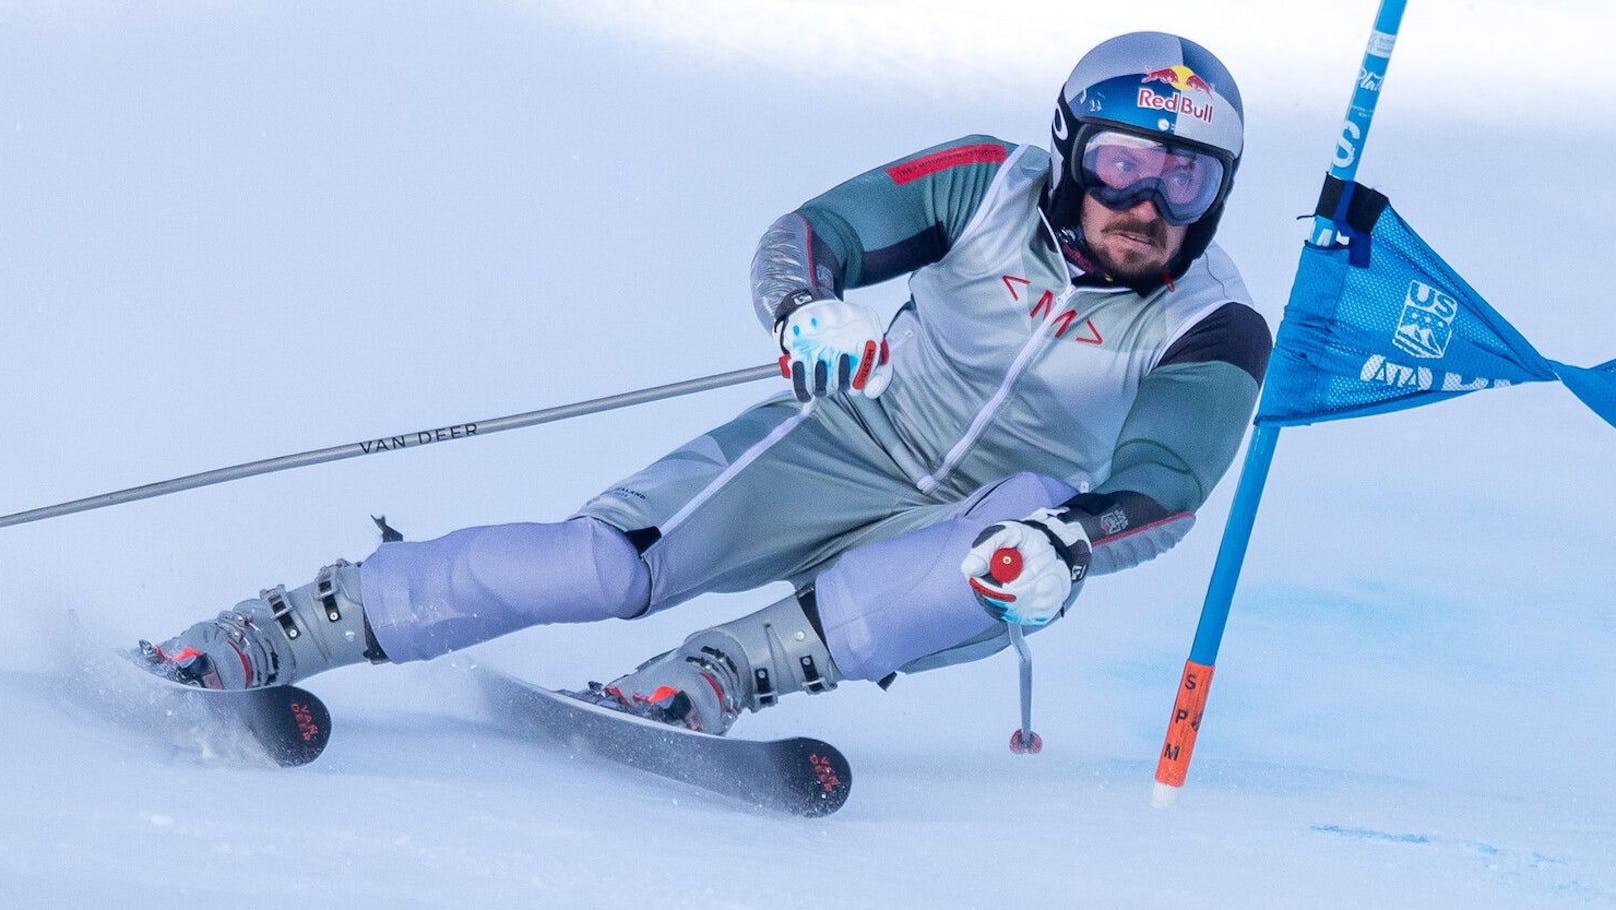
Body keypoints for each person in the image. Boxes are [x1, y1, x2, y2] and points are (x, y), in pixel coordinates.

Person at [141, 31, 1271, 737]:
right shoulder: (986, 183)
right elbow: (816, 230)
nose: (1146, 203)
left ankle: (715, 675)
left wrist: (1074, 542)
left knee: (1020, 546)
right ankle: (287, 625)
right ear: (1073, 150)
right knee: (602, 563)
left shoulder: (1209, 318)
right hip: (853, 434)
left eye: (1184, 176)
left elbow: (1166, 479)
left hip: (987, 519)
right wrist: (806, 309)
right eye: (1123, 161)